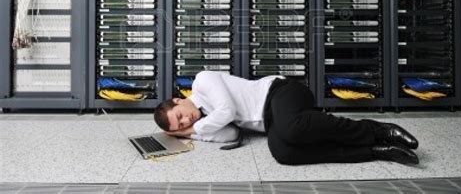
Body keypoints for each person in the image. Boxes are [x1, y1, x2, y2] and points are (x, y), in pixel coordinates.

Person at [154, 71, 419, 165]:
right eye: (181, 126)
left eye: (180, 116)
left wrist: (195, 127)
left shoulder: (202, 81)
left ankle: (377, 129)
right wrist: (190, 135)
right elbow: (231, 134)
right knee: (284, 154)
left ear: (178, 100)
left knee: (292, 129)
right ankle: (374, 151)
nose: (186, 122)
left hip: (281, 92)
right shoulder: (204, 121)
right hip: (272, 121)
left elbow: (228, 113)